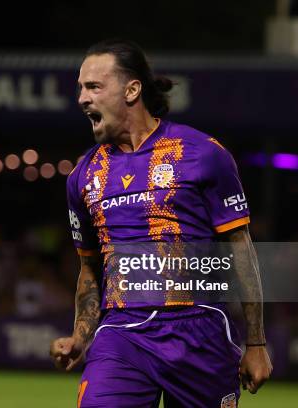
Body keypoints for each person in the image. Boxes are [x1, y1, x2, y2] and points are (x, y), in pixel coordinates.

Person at [50, 39, 272, 407]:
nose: (82, 98)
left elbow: (240, 249)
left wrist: (256, 343)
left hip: (200, 331)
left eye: (93, 86)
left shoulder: (202, 154)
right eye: (80, 88)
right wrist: (80, 336)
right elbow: (90, 266)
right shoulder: (83, 176)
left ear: (132, 89)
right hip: (122, 334)